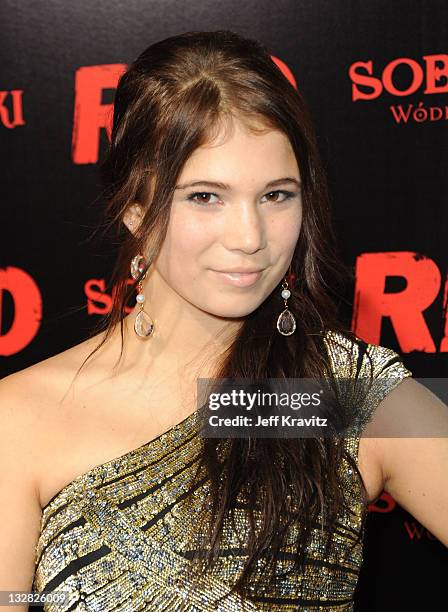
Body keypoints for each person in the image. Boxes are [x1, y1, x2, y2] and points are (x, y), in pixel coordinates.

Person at [0, 30, 447, 612]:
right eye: (205, 196)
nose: (250, 238)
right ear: (136, 207)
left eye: (277, 195)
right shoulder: (21, 418)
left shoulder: (334, 396)